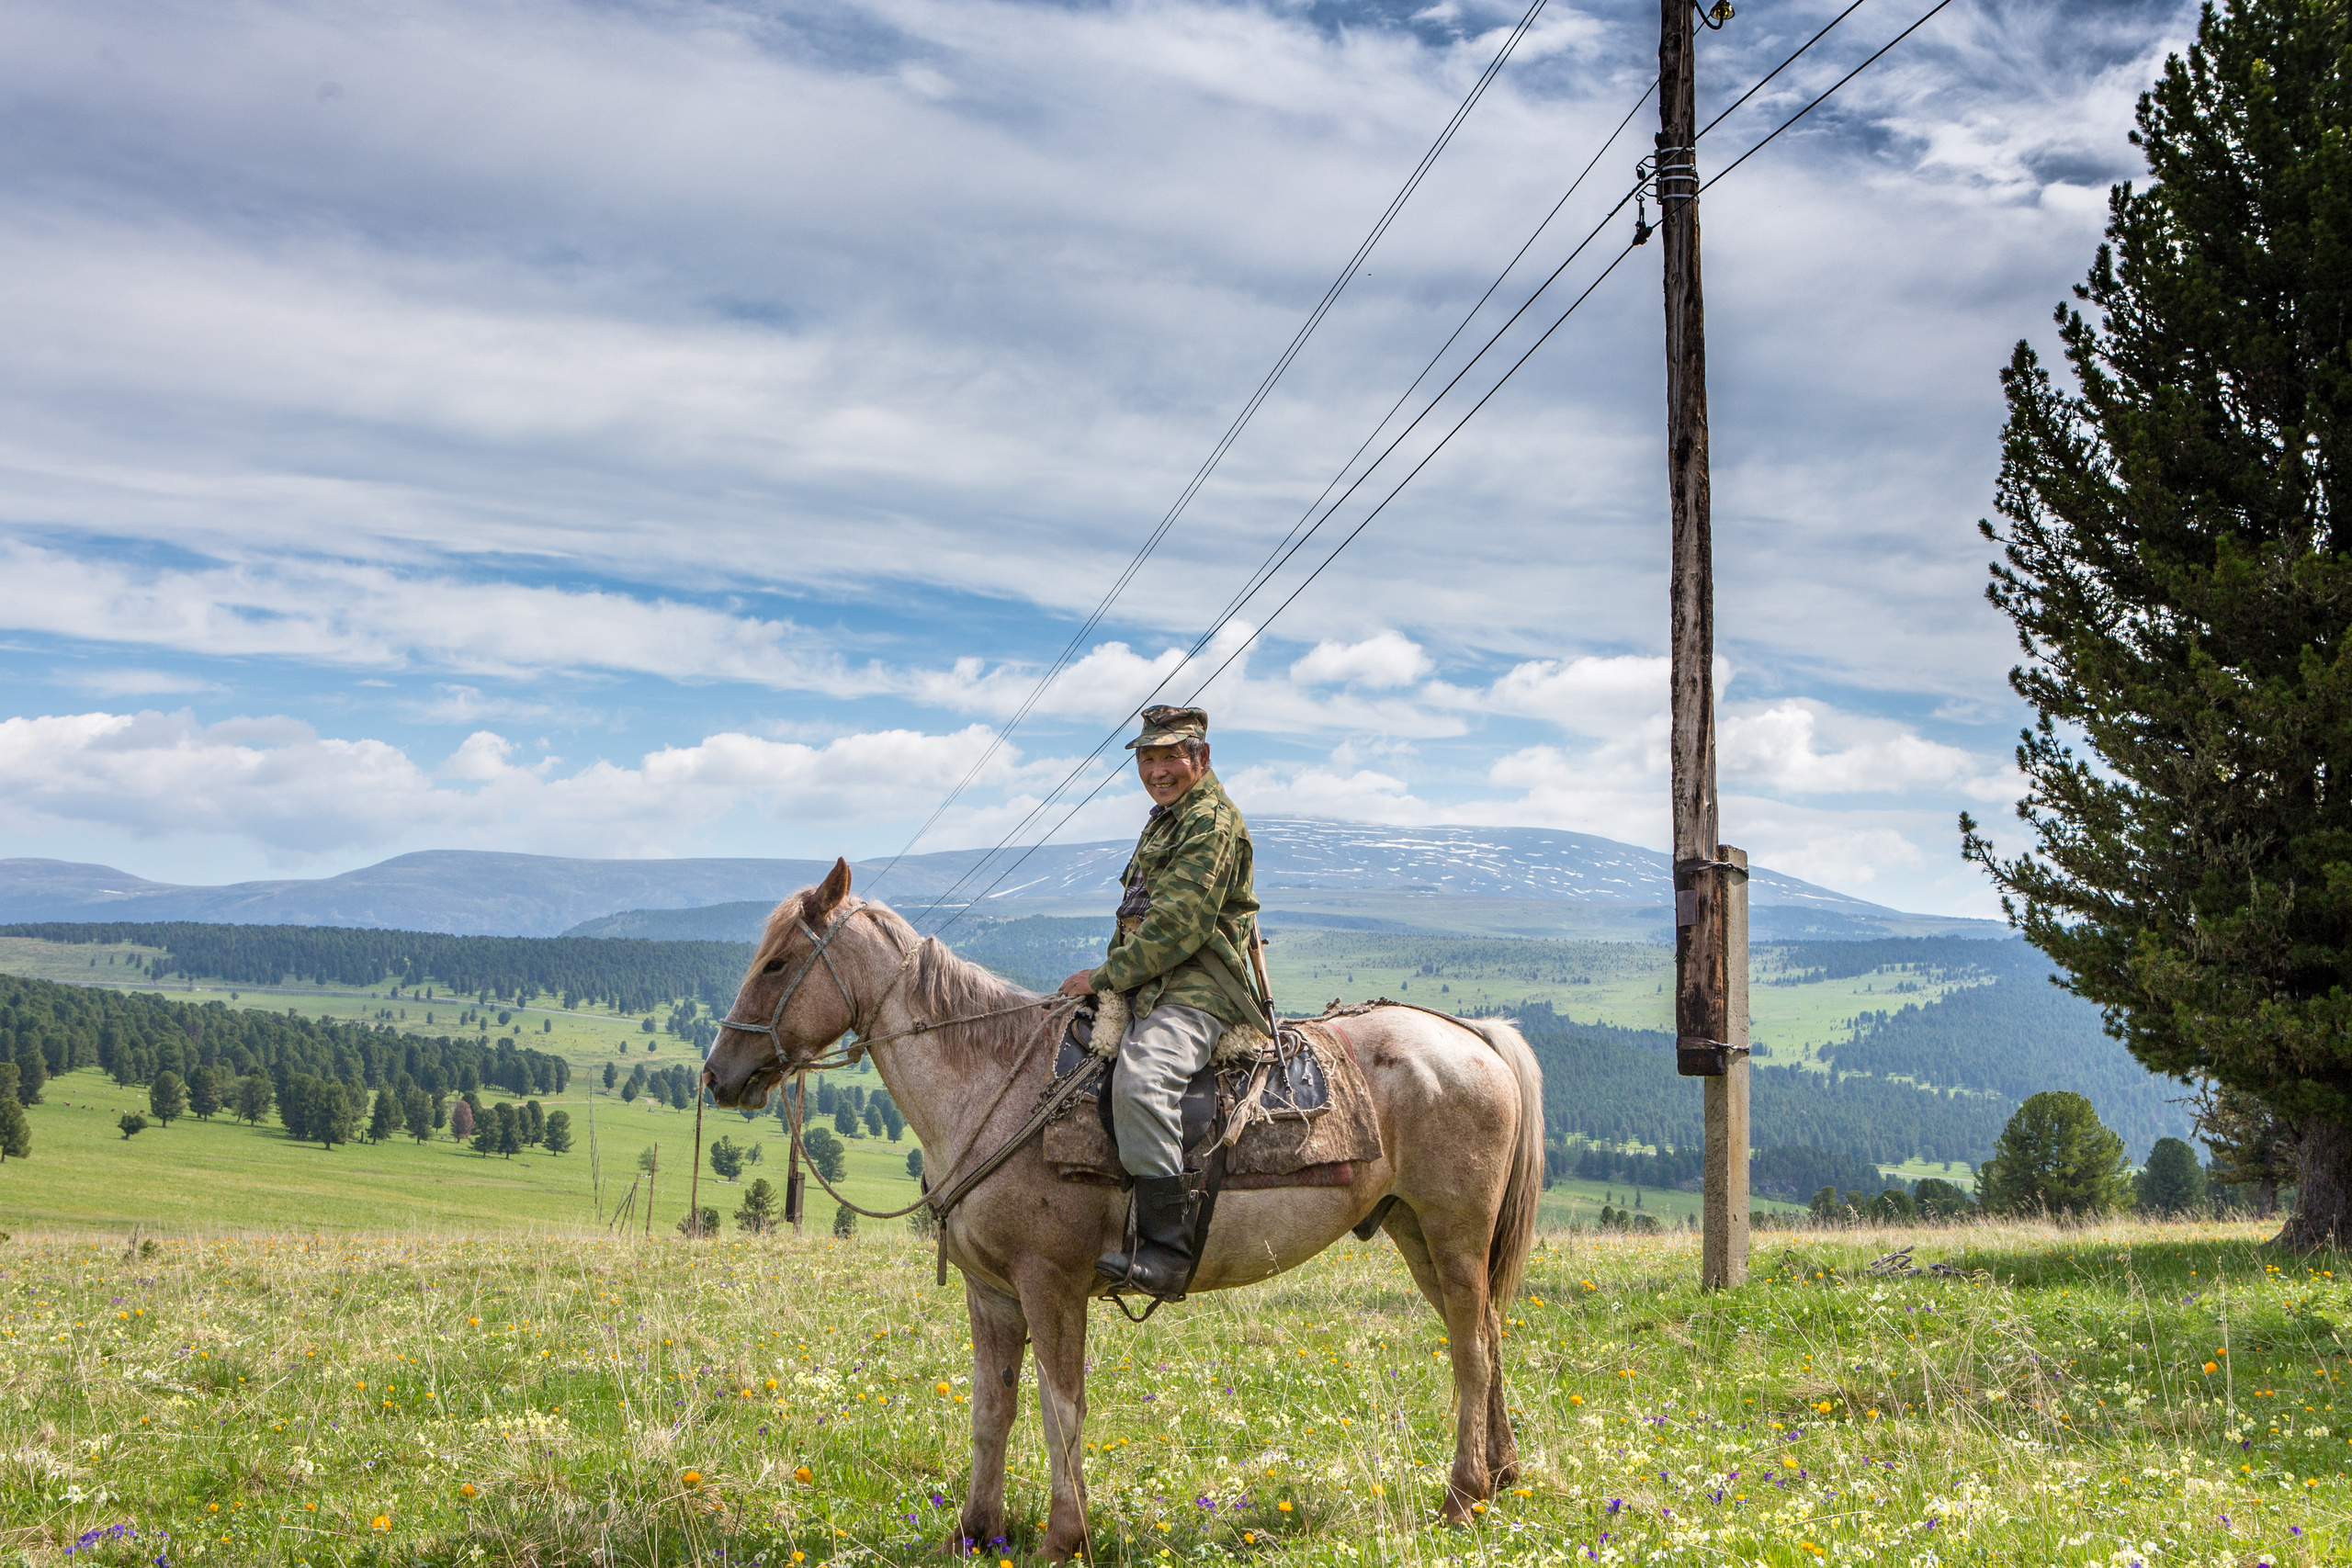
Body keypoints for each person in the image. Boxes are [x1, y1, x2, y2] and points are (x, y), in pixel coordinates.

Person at [1057, 705, 1261, 1296]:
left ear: (1200, 757)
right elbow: (1135, 917)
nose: (1156, 770)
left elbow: (1178, 926)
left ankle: (1168, 1249)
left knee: (1143, 1078)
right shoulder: (1166, 819)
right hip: (1151, 979)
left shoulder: (1211, 823)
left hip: (1198, 985)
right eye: (1147, 758)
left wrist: (1103, 977)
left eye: (1169, 756)